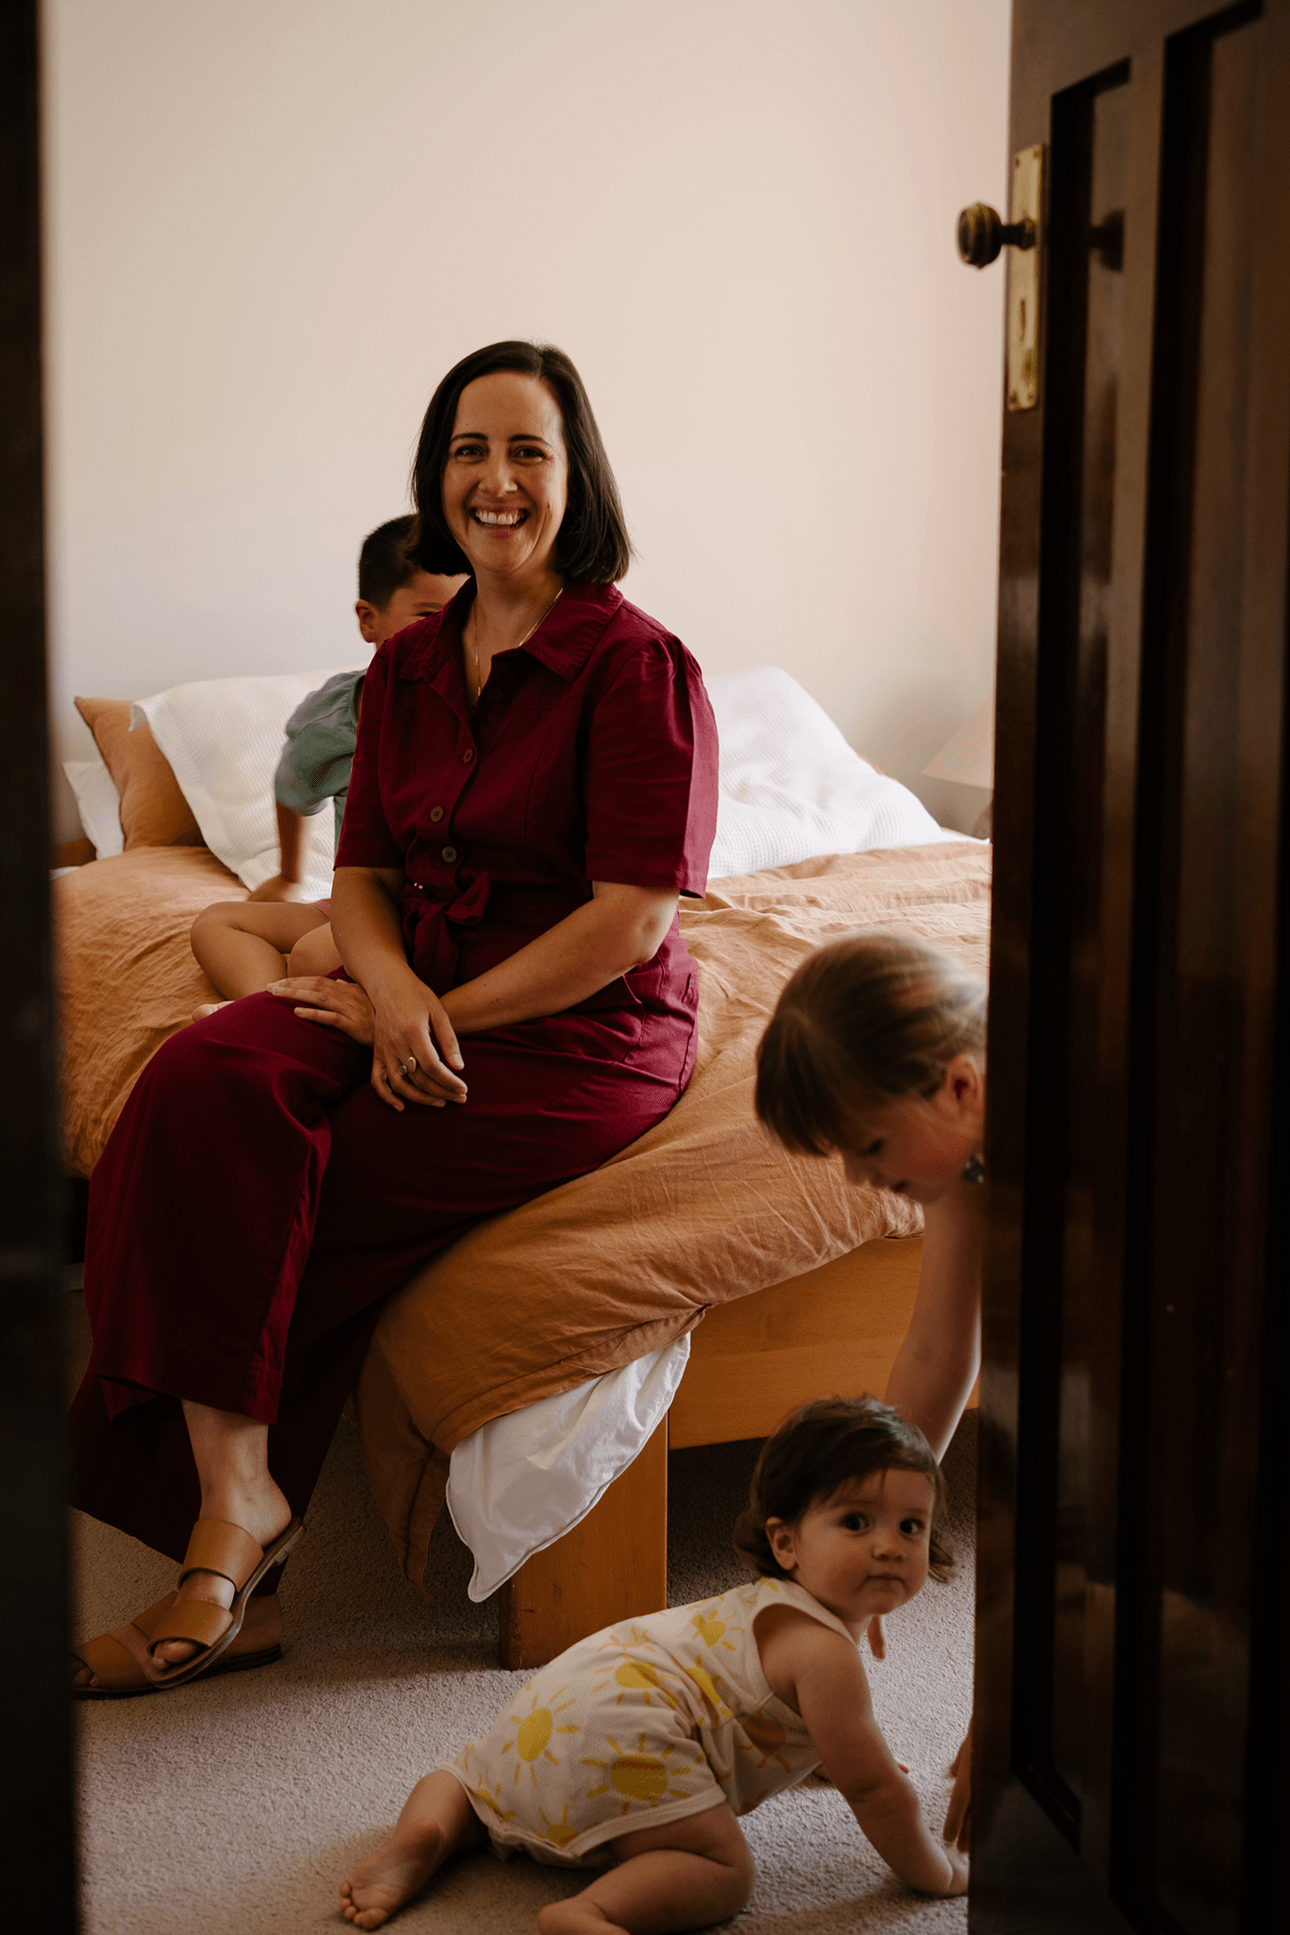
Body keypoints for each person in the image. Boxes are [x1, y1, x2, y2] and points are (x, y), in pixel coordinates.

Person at [68, 340, 719, 1696]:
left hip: (578, 1025)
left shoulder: (637, 664)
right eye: (467, 451)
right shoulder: (411, 661)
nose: (494, 479)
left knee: (292, 1171)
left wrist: (432, 1018)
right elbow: (356, 874)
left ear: (573, 472)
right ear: (438, 477)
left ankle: (223, 1559)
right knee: (197, 1082)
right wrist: (388, 997)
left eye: (525, 450)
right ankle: (240, 1492)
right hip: (404, 979)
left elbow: (630, 919)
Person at [338, 1396, 968, 1932]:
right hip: (627, 1739)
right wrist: (934, 1872)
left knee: (465, 1776)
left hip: (561, 1705)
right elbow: (875, 1788)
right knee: (723, 1871)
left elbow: (790, 1716)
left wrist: (832, 1749)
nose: (890, 1546)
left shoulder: (766, 1605)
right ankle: (589, 1913)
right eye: (856, 1522)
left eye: (911, 1526)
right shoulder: (826, 1654)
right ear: (786, 1542)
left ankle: (425, 1832)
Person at [753, 929, 987, 1847]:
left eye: (869, 1143)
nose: (857, 1176)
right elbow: (937, 1349)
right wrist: (870, 1512)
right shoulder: (965, 1153)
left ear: (959, 1087)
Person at [188, 517, 466, 1010]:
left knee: (314, 955)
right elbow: (294, 785)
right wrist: (290, 874)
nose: (448, 632)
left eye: (467, 613)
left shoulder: (484, 707)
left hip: (443, 913)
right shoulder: (335, 720)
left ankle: (276, 1013)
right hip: (358, 906)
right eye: (427, 614)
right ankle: (256, 1010)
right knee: (216, 922)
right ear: (368, 619)